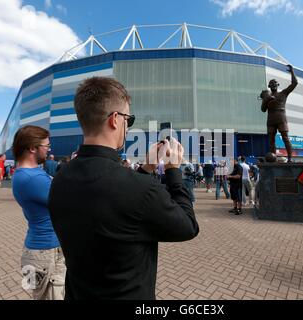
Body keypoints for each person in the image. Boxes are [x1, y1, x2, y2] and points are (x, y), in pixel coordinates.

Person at [48, 77, 199, 300]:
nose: (128, 126)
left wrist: (145, 169)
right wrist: (173, 169)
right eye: (129, 119)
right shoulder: (141, 190)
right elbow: (187, 226)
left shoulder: (60, 179)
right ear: (115, 120)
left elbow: (113, 203)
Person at [12, 125, 66, 300]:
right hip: (46, 254)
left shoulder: (25, 174)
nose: (49, 150)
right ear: (33, 148)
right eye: (47, 146)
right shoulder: (32, 178)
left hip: (36, 252)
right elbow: (71, 201)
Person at [260, 65, 298, 163]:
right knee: (271, 141)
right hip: (271, 119)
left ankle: (289, 158)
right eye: (271, 83)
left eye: (275, 83)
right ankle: (273, 159)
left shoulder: (283, 93)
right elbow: (263, 110)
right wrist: (266, 99)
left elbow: (295, 83)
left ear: (278, 85)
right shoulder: (266, 96)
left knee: (285, 138)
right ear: (269, 86)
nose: (273, 84)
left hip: (281, 117)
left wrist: (292, 71)